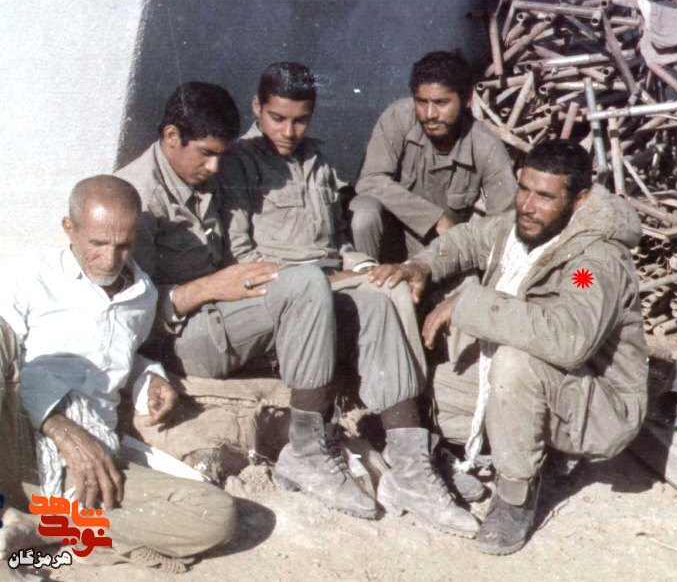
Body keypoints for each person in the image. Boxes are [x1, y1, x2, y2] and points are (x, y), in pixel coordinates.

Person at [117, 82, 476, 536]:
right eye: (206, 154)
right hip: (184, 337)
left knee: (374, 297)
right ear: (172, 136)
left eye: (220, 155)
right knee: (305, 282)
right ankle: (306, 452)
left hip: (230, 313)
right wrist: (208, 287)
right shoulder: (136, 199)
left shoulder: (205, 174)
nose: (215, 167)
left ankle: (411, 466)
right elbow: (129, 312)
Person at [370, 139, 649, 555]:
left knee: (514, 362)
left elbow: (569, 338)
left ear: (578, 201)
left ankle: (516, 495)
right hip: (541, 386)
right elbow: (468, 239)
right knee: (419, 389)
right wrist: (422, 265)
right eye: (523, 189)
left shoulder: (592, 265)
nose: (527, 206)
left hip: (595, 405)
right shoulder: (525, 229)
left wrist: (470, 305)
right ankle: (467, 454)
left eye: (545, 196)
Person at [0, 176, 234, 572]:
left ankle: (41, 529)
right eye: (97, 243)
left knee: (215, 513)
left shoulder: (142, 296)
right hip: (17, 442)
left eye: (123, 245)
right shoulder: (28, 275)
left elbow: (114, 352)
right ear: (69, 228)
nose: (110, 259)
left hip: (90, 465)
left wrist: (148, 376)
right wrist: (56, 424)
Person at [217, 61, 426, 380]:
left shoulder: (318, 162)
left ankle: (406, 392)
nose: (289, 132)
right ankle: (406, 391)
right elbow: (239, 254)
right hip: (288, 286)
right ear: (257, 107)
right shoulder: (239, 163)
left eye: (301, 121)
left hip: (333, 274)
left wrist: (364, 266)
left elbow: (337, 239)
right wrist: (310, 280)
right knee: (385, 296)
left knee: (391, 283)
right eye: (277, 118)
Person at [351, 50, 516, 262]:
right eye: (421, 102)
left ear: (467, 100)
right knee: (364, 212)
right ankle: (364, 275)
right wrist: (434, 218)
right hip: (389, 240)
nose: (430, 114)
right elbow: (369, 181)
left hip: (441, 251)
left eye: (441, 103)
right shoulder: (399, 117)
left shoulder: (486, 146)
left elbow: (504, 221)